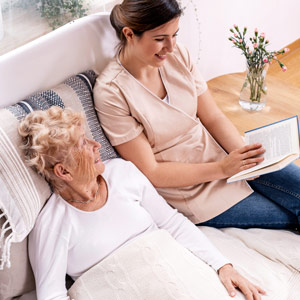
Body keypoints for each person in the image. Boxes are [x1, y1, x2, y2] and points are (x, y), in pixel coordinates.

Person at [19, 106, 265, 300]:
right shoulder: (52, 224)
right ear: (63, 172)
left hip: (177, 275)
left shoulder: (123, 174)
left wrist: (223, 266)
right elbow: (52, 295)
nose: (97, 146)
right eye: (83, 144)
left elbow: (172, 223)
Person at [93, 0, 300, 230]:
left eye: (175, 35)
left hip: (222, 155)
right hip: (190, 191)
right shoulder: (111, 93)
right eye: (160, 39)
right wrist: (223, 169)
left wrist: (243, 156)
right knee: (290, 214)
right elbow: (152, 172)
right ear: (129, 34)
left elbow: (213, 117)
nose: (170, 47)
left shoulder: (178, 55)